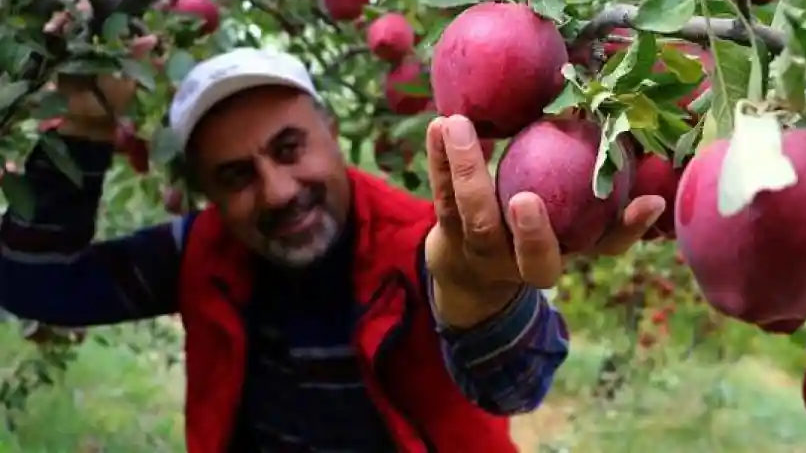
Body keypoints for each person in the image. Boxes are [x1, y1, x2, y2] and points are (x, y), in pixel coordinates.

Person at [0, 46, 665, 452]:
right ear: (205, 191)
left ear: (330, 131)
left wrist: (485, 302)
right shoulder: (201, 250)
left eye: (290, 148)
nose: (277, 189)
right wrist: (86, 126)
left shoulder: (421, 244)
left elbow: (518, 384)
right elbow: (37, 283)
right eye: (235, 175)